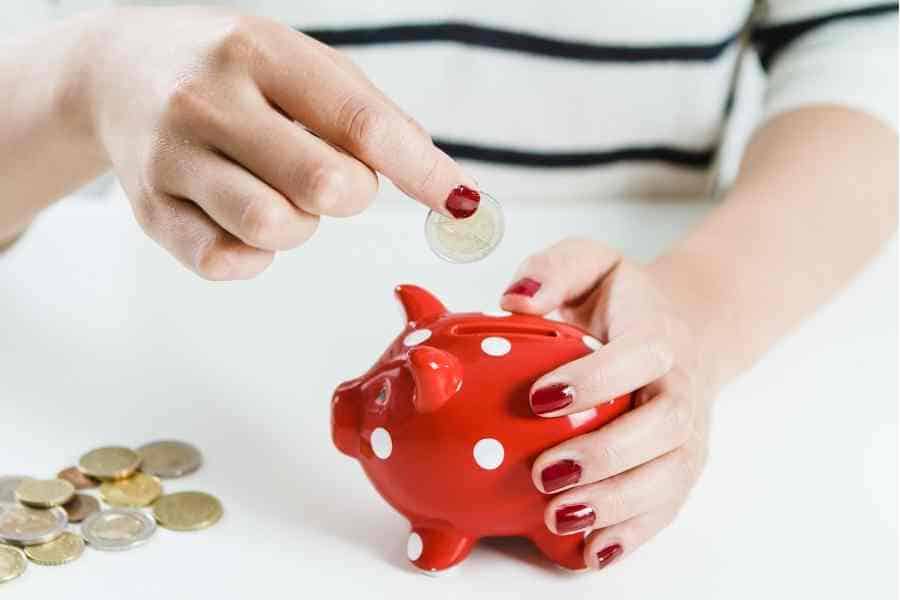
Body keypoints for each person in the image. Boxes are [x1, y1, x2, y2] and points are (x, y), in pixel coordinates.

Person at [0, 1, 896, 572]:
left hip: (678, 296)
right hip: (114, 310)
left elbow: (863, 39)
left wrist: (694, 310)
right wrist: (77, 83)